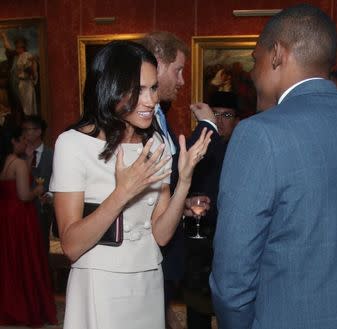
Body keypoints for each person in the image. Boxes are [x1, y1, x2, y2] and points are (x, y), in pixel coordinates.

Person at [209, 4, 337, 329]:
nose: (253, 74)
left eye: (255, 60)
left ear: (277, 55)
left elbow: (233, 280)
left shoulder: (259, 135)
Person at [49, 41, 212, 329]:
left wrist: (184, 181)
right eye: (138, 90)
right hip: (99, 285)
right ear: (110, 88)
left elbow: (161, 235)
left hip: (148, 279)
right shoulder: (73, 145)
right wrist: (123, 191)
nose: (151, 101)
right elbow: (71, 245)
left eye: (153, 88)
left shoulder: (157, 142)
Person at [142, 31, 218, 329]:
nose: (183, 80)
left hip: (165, 247)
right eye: (178, 70)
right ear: (158, 63)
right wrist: (208, 125)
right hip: (150, 249)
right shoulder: (141, 118)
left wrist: (180, 203)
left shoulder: (160, 114)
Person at [184, 92, 240, 329]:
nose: (220, 120)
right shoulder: (196, 147)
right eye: (215, 114)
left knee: (232, 312)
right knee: (197, 313)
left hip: (232, 243)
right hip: (199, 242)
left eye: (227, 115)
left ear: (236, 120)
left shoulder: (242, 149)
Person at [0, 126, 57, 326]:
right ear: (13, 142)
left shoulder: (3, 163)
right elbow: (24, 195)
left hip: (5, 216)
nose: (26, 142)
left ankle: (11, 305)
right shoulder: (19, 164)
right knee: (27, 260)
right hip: (21, 218)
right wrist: (39, 189)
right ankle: (28, 307)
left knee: (10, 261)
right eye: (22, 139)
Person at [22, 115, 54, 252]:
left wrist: (49, 195)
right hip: (22, 210)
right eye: (23, 130)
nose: (24, 133)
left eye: (27, 129)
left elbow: (57, 180)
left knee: (42, 248)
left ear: (38, 131)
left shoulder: (52, 154)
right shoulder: (20, 155)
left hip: (43, 212)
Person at [0, 32, 38, 116]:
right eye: (17, 46)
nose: (18, 48)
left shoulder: (26, 55)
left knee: (26, 106)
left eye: (20, 46)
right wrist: (4, 37)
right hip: (17, 83)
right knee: (18, 105)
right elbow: (8, 48)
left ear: (23, 47)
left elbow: (31, 70)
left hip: (25, 84)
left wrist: (30, 65)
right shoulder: (16, 55)